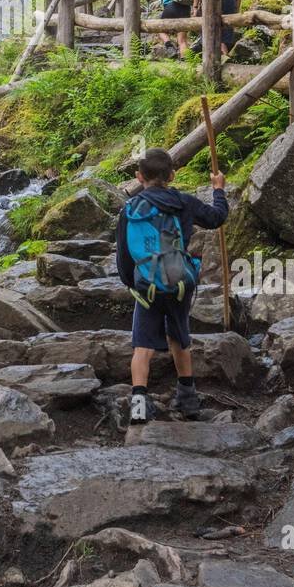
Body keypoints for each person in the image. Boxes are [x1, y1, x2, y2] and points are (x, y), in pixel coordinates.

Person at [116, 147, 228, 423]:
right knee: (179, 337)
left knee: (142, 345)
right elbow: (216, 218)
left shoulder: (129, 208)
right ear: (172, 175)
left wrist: (134, 283)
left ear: (139, 176)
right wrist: (218, 189)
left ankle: (139, 406)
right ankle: (188, 401)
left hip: (147, 286)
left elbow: (123, 254)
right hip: (180, 282)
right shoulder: (184, 202)